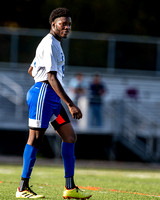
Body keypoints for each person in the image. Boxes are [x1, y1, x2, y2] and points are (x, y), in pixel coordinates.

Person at [16, 8, 92, 199]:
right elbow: (50, 76)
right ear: (53, 25)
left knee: (69, 136)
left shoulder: (54, 43)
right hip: (43, 95)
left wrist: (45, 84)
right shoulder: (49, 43)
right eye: (63, 24)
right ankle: (22, 188)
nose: (66, 27)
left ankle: (70, 188)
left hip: (50, 97)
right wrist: (70, 103)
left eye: (69, 24)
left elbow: (31, 69)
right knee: (35, 139)